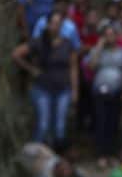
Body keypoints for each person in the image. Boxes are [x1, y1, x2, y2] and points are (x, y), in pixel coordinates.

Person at [12, 10, 79, 151]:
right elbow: (16, 54)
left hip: (63, 88)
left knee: (60, 126)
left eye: (58, 24)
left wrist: (74, 90)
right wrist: (31, 69)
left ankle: (58, 159)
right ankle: (36, 154)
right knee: (43, 124)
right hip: (43, 88)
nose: (55, 26)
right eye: (53, 23)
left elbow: (73, 67)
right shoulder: (39, 42)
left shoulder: (67, 44)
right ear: (48, 25)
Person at [88, 22, 122, 167]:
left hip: (116, 92)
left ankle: (112, 153)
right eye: (106, 35)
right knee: (101, 122)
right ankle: (101, 154)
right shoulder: (97, 51)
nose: (109, 37)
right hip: (100, 92)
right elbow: (91, 66)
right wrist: (100, 46)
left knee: (113, 123)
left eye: (112, 34)